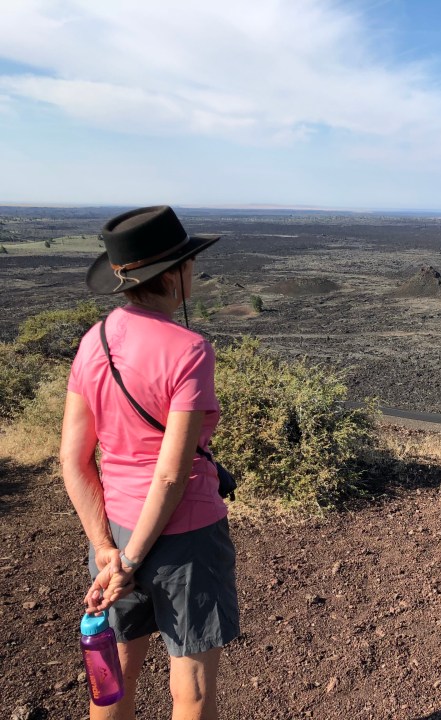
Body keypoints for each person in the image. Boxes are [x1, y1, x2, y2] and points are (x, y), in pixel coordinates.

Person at [60, 205, 239, 719]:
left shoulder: (92, 342)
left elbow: (73, 459)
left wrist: (108, 553)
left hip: (114, 531)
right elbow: (170, 473)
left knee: (113, 677)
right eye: (190, 263)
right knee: (192, 690)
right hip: (186, 537)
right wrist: (133, 561)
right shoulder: (190, 350)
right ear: (174, 273)